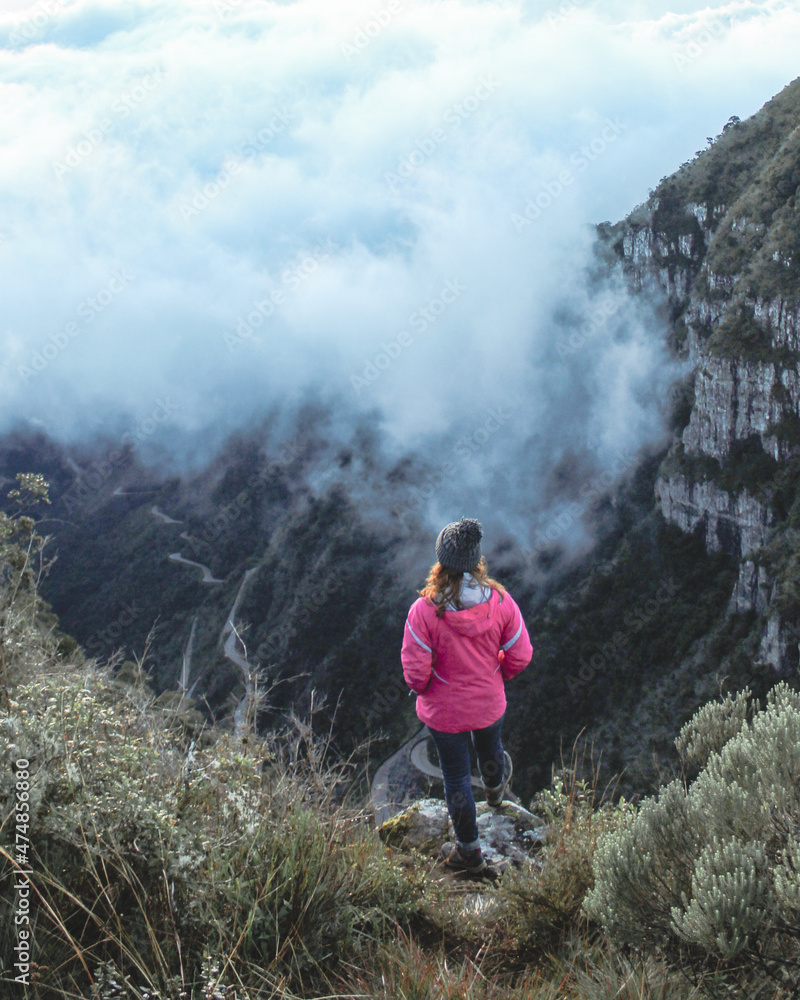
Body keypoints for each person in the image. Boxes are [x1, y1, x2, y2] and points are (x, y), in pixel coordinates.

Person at [401, 516, 533, 874]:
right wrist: (496, 675)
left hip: (445, 714)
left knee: (456, 776)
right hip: (489, 702)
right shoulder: (502, 603)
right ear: (477, 562)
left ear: (441, 562)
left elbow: (415, 674)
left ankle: (469, 851)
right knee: (490, 747)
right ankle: (494, 793)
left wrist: (428, 690)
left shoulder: (424, 613)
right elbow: (521, 655)